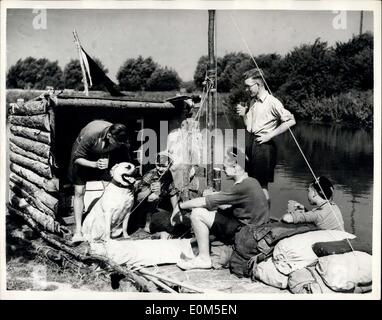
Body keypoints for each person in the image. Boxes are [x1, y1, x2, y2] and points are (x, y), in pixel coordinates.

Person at [172, 147, 269, 270]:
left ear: (236, 167)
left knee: (197, 213)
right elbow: (228, 204)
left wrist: (180, 206)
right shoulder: (252, 182)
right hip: (255, 232)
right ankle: (203, 244)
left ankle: (203, 259)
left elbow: (205, 201)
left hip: (247, 235)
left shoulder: (243, 186)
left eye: (225, 167)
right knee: (215, 211)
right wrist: (216, 197)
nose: (222, 170)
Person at [236, 68, 296, 207]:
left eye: (248, 86)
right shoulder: (253, 102)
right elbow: (249, 128)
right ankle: (255, 215)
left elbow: (291, 120)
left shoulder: (272, 102)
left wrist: (270, 135)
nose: (246, 90)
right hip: (253, 143)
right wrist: (244, 114)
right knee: (251, 182)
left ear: (259, 84)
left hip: (265, 147)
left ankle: (265, 220)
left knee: (261, 186)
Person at [68, 120, 130, 243]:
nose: (118, 145)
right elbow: (77, 158)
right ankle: (78, 231)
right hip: (82, 158)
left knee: (109, 187)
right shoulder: (91, 134)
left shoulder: (118, 137)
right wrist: (94, 164)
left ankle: (105, 226)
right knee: (79, 191)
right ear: (109, 136)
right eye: (117, 142)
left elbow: (123, 156)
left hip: (102, 153)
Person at [134, 152, 187, 239]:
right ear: (155, 163)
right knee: (154, 197)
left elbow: (172, 193)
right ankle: (147, 224)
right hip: (143, 207)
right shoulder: (150, 175)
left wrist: (175, 211)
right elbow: (139, 197)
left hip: (160, 206)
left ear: (169, 166)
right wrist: (150, 190)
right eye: (159, 165)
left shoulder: (168, 175)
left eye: (164, 166)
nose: (160, 169)